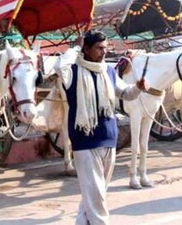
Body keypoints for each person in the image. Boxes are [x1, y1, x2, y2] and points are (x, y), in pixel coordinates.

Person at [54, 30, 147, 225]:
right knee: (96, 194)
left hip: (109, 139)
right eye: (99, 48)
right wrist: (75, 47)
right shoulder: (73, 72)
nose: (104, 52)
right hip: (85, 141)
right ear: (86, 49)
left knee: (94, 193)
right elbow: (59, 65)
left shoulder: (109, 71)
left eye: (106, 48)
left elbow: (126, 94)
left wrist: (138, 87)